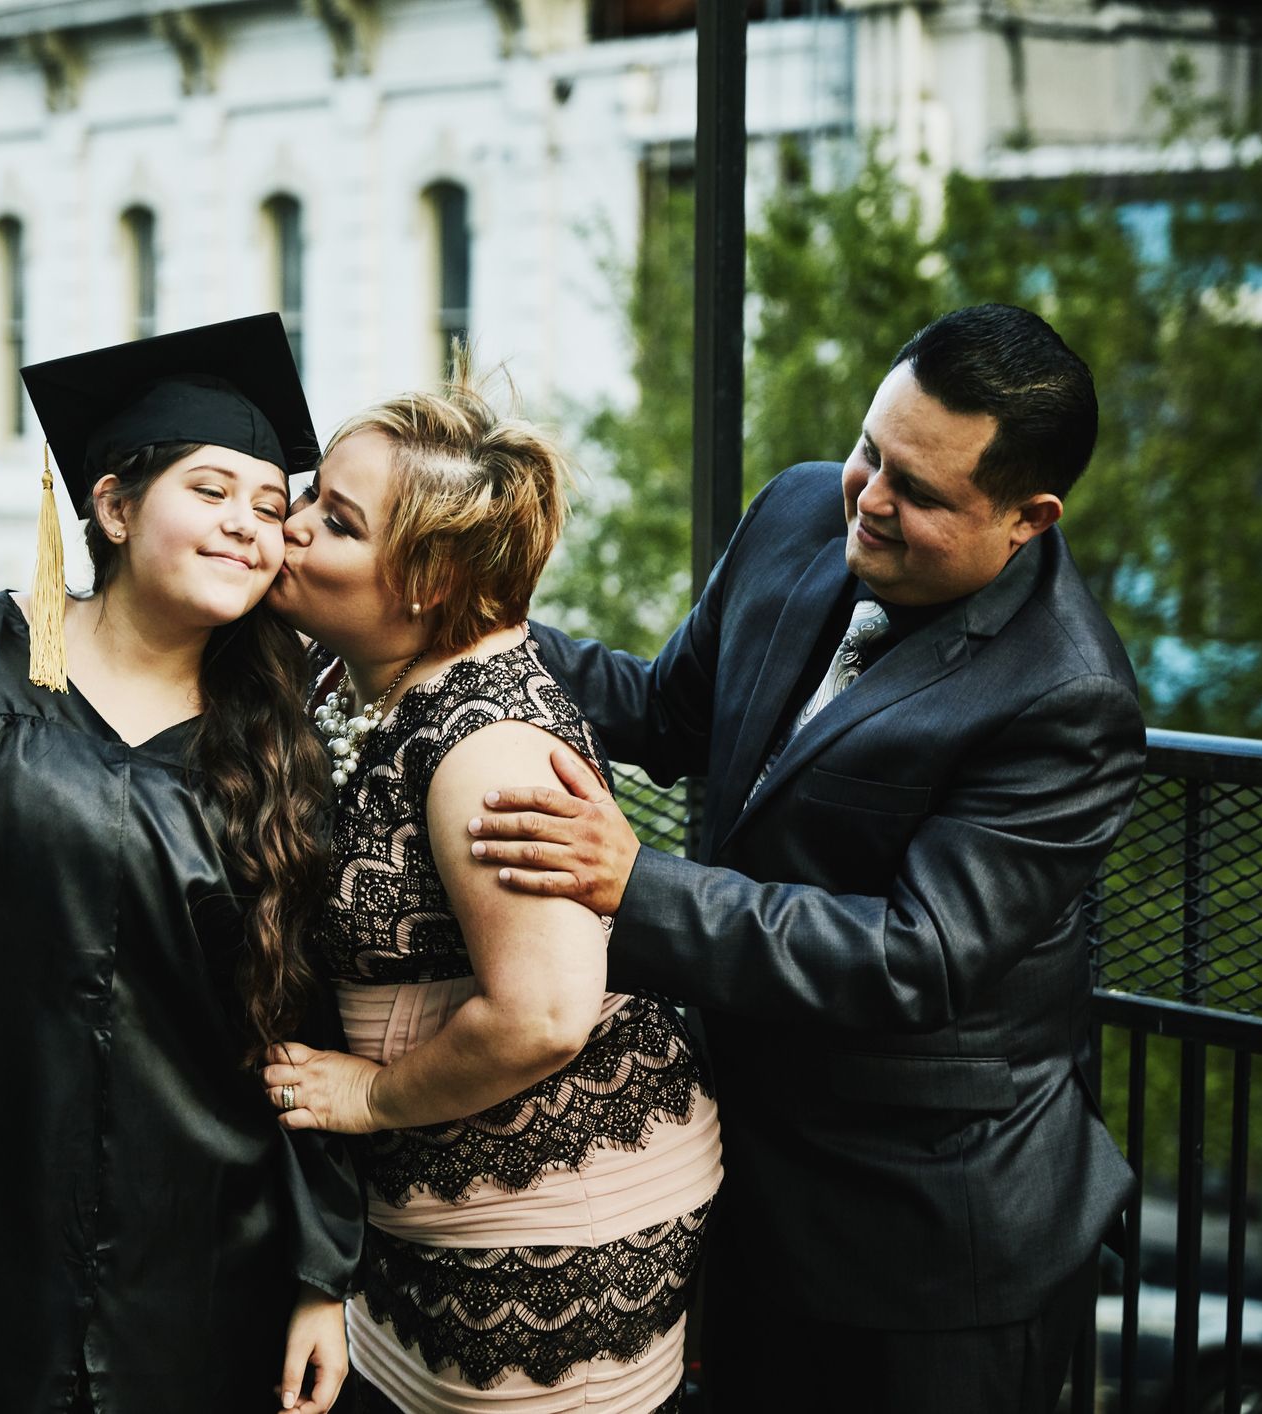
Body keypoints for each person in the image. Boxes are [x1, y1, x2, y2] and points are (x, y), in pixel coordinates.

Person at [470, 304, 1144, 1413]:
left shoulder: (1071, 697)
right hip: (751, 1192)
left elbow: (915, 957)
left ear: (1028, 518)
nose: (869, 499)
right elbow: (668, 709)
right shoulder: (796, 508)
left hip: (935, 1250)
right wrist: (466, 628)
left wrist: (635, 887)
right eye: (870, 450)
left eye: (919, 493)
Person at [0, 314, 360, 1414]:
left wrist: (317, 1277)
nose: (249, 525)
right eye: (210, 490)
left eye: (268, 503)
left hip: (195, 1258)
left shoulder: (274, 749)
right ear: (111, 505)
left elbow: (299, 1022)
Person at [256, 362, 722, 1414]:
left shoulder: (492, 750)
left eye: (333, 520)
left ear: (422, 581)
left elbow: (545, 1013)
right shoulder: (371, 671)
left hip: (550, 1225)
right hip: (436, 1208)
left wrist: (368, 1094)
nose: (287, 527)